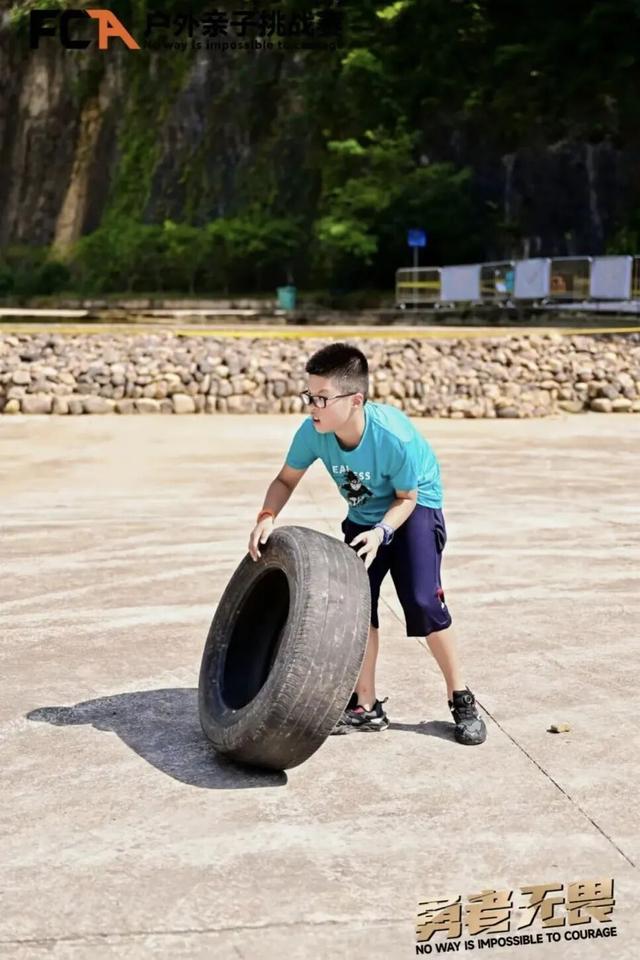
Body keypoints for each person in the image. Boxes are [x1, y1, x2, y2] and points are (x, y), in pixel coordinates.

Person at [247, 342, 487, 746]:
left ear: (355, 400)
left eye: (322, 398)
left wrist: (382, 533)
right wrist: (266, 517)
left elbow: (406, 498)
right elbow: (285, 480)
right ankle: (366, 706)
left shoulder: (394, 437)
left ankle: (460, 696)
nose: (312, 406)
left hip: (412, 507)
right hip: (363, 516)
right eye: (310, 396)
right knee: (359, 608)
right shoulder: (313, 433)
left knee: (424, 601)